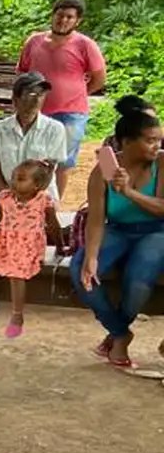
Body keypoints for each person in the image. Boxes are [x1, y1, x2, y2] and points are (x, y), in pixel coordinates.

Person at [72, 105, 164, 370]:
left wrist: (129, 192)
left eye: (159, 140)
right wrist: (91, 257)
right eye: (150, 140)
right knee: (82, 272)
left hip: (157, 230)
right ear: (126, 141)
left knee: (138, 280)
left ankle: (115, 335)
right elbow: (96, 220)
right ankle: (120, 333)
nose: (157, 146)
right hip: (118, 229)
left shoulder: (162, 163)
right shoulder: (103, 170)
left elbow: (162, 208)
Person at [0, 160, 62, 340]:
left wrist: (60, 246)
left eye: (21, 179)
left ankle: (17, 315)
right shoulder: (4, 197)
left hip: (29, 244)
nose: (14, 182)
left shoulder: (43, 200)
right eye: (13, 177)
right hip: (4, 242)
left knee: (16, 272)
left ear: (36, 185)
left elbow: (53, 225)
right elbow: (0, 221)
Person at [17, 0, 106, 194]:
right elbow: (22, 73)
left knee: (62, 162)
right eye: (60, 15)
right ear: (53, 15)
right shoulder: (34, 41)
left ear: (77, 21)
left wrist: (78, 93)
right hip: (35, 111)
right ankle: (31, 200)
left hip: (71, 113)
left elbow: (99, 78)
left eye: (69, 17)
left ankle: (54, 205)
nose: (63, 20)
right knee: (31, 158)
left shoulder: (85, 44)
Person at [0, 72, 68, 243]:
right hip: (7, 194)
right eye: (30, 94)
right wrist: (6, 201)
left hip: (40, 196)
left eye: (41, 94)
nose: (36, 99)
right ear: (15, 100)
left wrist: (30, 202)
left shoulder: (55, 129)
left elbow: (49, 173)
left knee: (29, 226)